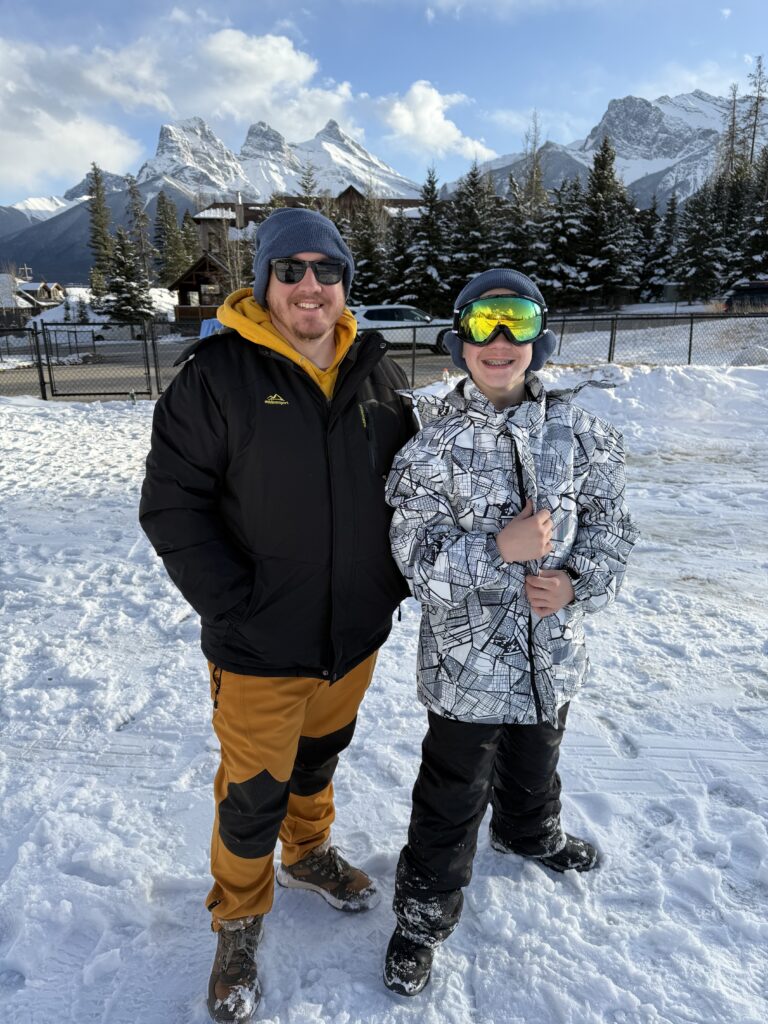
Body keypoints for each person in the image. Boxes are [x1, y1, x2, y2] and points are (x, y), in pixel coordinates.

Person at [139, 208, 415, 1023]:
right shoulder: (215, 375)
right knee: (252, 790)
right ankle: (238, 919)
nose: (309, 285)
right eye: (289, 269)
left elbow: (412, 493)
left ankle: (310, 856)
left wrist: (391, 586)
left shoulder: (375, 371)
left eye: (326, 270)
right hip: (261, 644)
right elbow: (172, 506)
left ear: (345, 284)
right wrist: (236, 605)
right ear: (263, 281)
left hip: (352, 637)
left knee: (319, 761)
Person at [382, 269, 638, 996]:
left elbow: (614, 528)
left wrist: (578, 581)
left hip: (552, 656)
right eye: (486, 322)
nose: (501, 341)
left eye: (517, 321)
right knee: (452, 791)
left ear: (539, 335)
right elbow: (417, 564)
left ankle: (529, 832)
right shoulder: (428, 450)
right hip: (467, 670)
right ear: (460, 337)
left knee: (537, 754)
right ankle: (424, 913)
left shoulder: (580, 432)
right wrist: (500, 549)